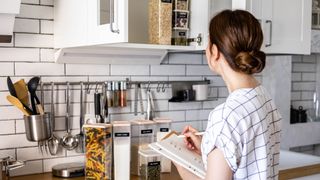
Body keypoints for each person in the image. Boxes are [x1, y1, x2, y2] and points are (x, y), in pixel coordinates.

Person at [174, 10, 282, 180]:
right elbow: (244, 156)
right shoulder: (263, 98)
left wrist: (179, 161)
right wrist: (208, 147)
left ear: (215, 51)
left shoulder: (225, 117)